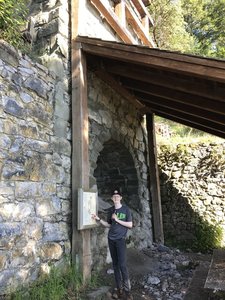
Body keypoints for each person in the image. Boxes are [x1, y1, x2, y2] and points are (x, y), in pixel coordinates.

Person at [92, 190, 133, 300]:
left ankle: (127, 292)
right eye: (114, 196)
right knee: (115, 265)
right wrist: (98, 219)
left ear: (121, 198)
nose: (115, 198)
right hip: (111, 239)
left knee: (122, 265)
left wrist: (118, 219)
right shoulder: (111, 210)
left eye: (117, 196)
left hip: (120, 240)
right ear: (112, 199)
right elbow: (108, 225)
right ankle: (119, 289)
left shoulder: (126, 210)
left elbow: (130, 225)